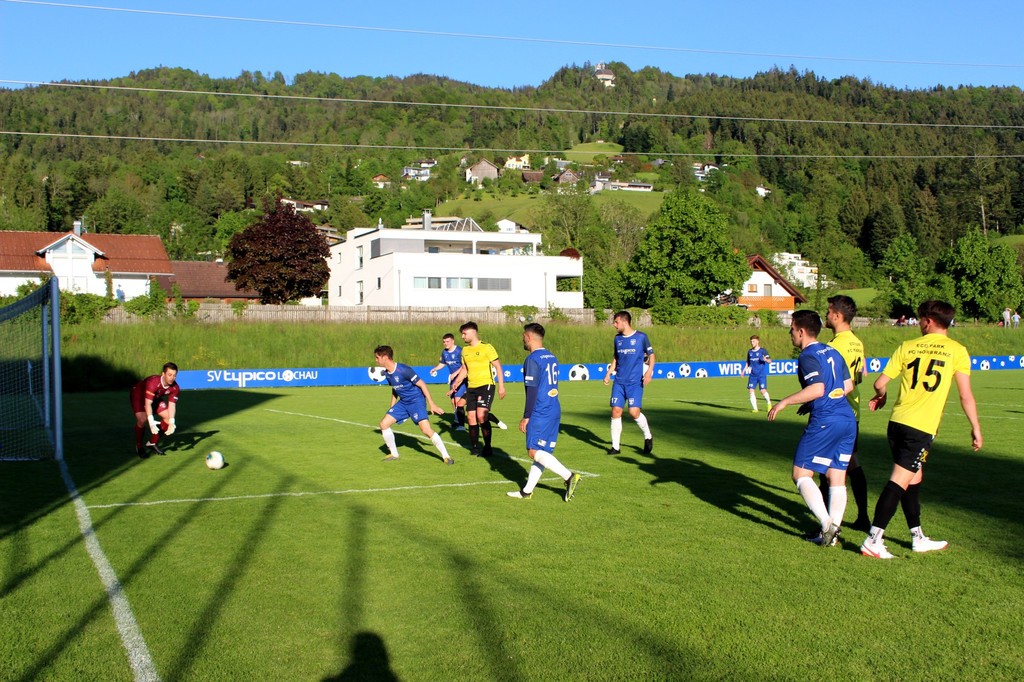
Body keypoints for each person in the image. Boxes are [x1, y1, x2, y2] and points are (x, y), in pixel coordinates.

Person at [861, 300, 982, 559]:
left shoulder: (908, 346)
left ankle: (917, 537)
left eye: (919, 320)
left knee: (913, 478)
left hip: (897, 423)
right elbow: (966, 396)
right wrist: (975, 428)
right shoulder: (957, 351)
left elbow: (880, 382)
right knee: (898, 481)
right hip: (921, 427)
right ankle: (873, 539)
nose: (918, 324)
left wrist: (881, 396)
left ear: (928, 320)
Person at [768, 311, 856, 548]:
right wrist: (812, 402)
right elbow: (847, 385)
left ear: (801, 331)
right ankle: (832, 537)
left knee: (800, 474)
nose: (790, 334)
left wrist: (784, 401)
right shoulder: (833, 351)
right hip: (847, 419)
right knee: (836, 476)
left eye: (791, 329)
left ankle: (828, 527)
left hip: (826, 421)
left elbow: (817, 388)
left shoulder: (807, 356)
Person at [507, 323, 582, 501]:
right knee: (541, 452)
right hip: (554, 407)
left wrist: (526, 417)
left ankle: (569, 477)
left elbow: (532, 390)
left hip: (541, 411)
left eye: (524, 336)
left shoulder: (532, 359)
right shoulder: (552, 356)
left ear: (530, 337)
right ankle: (526, 491)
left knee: (533, 451)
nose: (522, 339)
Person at [819, 294, 872, 531]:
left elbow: (828, 383)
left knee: (824, 468)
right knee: (853, 464)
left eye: (829, 311)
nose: (826, 315)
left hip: (835, 412)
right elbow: (862, 374)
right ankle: (863, 517)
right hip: (854, 410)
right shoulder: (857, 342)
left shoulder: (833, 346)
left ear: (838, 316)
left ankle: (827, 522)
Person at [374, 345, 452, 465]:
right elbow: (395, 389)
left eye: (377, 357)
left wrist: (432, 404)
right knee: (383, 424)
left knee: (426, 430)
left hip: (416, 401)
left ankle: (446, 457)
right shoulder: (387, 374)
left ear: (385, 357)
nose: (376, 360)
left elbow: (422, 385)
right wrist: (392, 406)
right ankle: (394, 454)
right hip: (403, 402)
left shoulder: (404, 370)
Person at [429, 332, 507, 432]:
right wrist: (435, 369)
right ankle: (458, 422)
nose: (445, 343)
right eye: (444, 342)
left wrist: (455, 374)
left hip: (465, 381)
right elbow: (442, 363)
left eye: (447, 341)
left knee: (461, 402)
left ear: (452, 341)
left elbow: (464, 367)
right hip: (455, 381)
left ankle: (463, 424)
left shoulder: (460, 351)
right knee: (454, 402)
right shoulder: (444, 352)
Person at [448, 321, 505, 457]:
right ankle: (475, 448)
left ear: (473, 332)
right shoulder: (465, 350)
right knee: (471, 417)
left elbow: (498, 366)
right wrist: (457, 382)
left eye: (464, 333)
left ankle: (488, 447)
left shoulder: (487, 347)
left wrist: (501, 386)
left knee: (481, 415)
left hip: (486, 385)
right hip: (471, 387)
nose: (462, 336)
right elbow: (465, 369)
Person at [603, 310, 655, 455]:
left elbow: (651, 355)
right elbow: (616, 358)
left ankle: (648, 436)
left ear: (625, 322)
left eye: (616, 322)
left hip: (634, 383)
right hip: (619, 382)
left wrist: (649, 372)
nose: (614, 325)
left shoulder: (641, 337)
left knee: (634, 412)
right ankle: (615, 447)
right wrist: (609, 373)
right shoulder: (617, 339)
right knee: (616, 411)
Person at [130, 362, 180, 458]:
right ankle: (139, 446)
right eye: (169, 375)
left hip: (154, 398)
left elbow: (172, 405)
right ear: (163, 374)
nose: (172, 378)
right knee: (142, 419)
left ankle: (152, 443)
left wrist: (172, 421)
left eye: (174, 375)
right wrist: (151, 420)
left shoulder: (175, 387)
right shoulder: (153, 382)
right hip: (138, 395)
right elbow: (148, 403)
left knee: (168, 417)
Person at [743, 335, 772, 412]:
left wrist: (766, 360)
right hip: (753, 375)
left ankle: (769, 403)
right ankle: (755, 409)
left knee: (762, 391)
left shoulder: (762, 351)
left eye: (753, 341)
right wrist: (743, 371)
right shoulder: (750, 352)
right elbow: (748, 363)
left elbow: (770, 361)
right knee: (751, 390)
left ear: (758, 341)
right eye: (751, 341)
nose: (752, 343)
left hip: (761, 374)